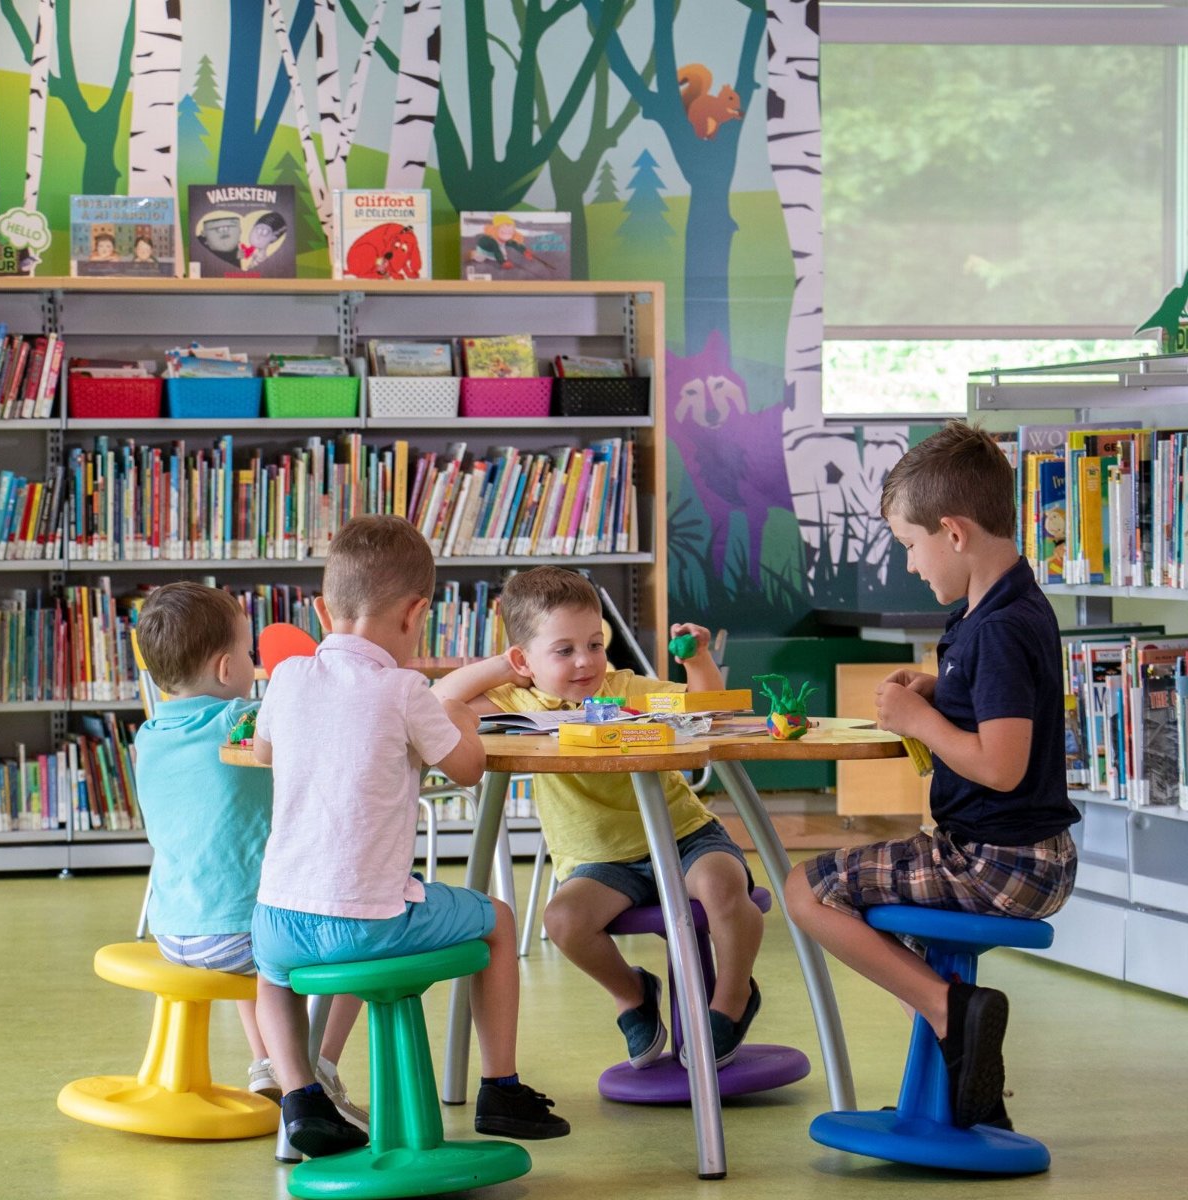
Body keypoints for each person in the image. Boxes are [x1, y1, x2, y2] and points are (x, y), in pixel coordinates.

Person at [783, 420, 1080, 1131]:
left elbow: (1003, 768)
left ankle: (953, 1013)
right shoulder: (1002, 606)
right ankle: (963, 1084)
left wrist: (920, 722)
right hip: (1021, 854)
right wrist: (940, 689)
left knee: (804, 889)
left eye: (911, 547)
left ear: (953, 532)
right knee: (874, 901)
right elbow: (999, 710)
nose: (912, 566)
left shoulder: (998, 628)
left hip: (998, 860)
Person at [251, 516, 570, 1157]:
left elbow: (264, 752)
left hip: (277, 919)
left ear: (320, 607)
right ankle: (500, 1088)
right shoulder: (404, 689)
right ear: (416, 612)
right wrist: (452, 711)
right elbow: (469, 768)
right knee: (499, 920)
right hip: (370, 921)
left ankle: (300, 1095)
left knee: (272, 978)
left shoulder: (286, 679)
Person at [432, 567, 764, 1072]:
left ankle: (733, 997)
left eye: (594, 643)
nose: (585, 661)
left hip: (684, 837)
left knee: (723, 886)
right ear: (525, 660)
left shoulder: (625, 686)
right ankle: (632, 992)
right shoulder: (516, 700)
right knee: (563, 922)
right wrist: (507, 665)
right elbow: (440, 702)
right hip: (599, 862)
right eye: (563, 651)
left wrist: (697, 660)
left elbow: (706, 709)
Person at [133, 583, 365, 1122]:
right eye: (246, 654)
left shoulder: (148, 734)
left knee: (249, 917)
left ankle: (264, 1062)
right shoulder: (243, 720)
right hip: (242, 938)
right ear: (223, 668)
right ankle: (317, 1065)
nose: (253, 665)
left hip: (173, 932)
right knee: (356, 940)